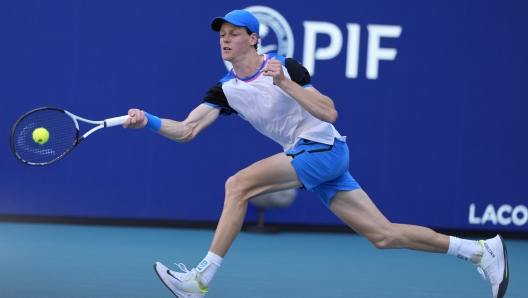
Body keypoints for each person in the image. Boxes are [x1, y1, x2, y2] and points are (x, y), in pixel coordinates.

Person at [123, 9, 509, 298]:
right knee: (384, 235)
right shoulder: (224, 90)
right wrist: (150, 122)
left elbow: (329, 111)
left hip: (324, 148)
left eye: (234, 34)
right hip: (312, 157)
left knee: (237, 185)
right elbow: (188, 129)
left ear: (253, 39)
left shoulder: (285, 67)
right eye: (221, 35)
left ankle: (201, 279)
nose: (225, 40)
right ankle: (479, 252)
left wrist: (286, 83)